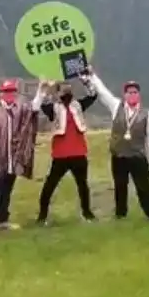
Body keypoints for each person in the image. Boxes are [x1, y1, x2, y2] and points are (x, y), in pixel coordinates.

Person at [85, 66, 149, 223]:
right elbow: (103, 92)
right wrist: (92, 76)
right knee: (120, 186)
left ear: (138, 95)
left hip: (137, 156)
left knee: (144, 187)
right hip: (118, 155)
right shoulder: (116, 107)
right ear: (124, 94)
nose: (132, 94)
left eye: (135, 92)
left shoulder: (146, 113)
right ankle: (121, 214)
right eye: (129, 92)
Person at [0, 79, 44, 238]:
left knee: (6, 192)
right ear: (1, 94)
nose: (9, 95)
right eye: (6, 92)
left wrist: (41, 90)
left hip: (13, 159)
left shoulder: (20, 110)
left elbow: (34, 108)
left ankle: (3, 220)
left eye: (12, 92)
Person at [36, 77, 98, 225]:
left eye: (69, 88)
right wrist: (45, 88)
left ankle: (87, 213)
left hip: (79, 153)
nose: (67, 90)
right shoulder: (54, 108)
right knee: (49, 186)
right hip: (60, 155)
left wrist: (86, 81)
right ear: (58, 93)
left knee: (83, 185)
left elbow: (93, 95)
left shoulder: (78, 106)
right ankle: (42, 216)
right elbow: (41, 103)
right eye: (63, 88)